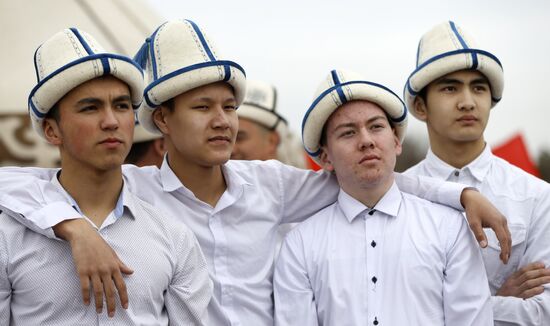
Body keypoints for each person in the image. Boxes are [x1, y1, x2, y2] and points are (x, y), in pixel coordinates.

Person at [0, 19, 510, 325]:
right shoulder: (134, 190)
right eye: (202, 107)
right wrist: (75, 228)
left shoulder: (271, 184)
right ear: (161, 121)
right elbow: (18, 183)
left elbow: (363, 173)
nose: (223, 121)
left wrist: (458, 196)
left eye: (229, 106)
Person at [0, 28, 211, 324]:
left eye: (122, 106)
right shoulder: (7, 236)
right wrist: (72, 227)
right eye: (90, 108)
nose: (111, 121)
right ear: (51, 130)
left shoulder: (174, 236)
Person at [274, 69, 493, 325]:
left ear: (396, 141)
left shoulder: (449, 227)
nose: (366, 141)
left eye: (376, 127)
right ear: (325, 157)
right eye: (348, 132)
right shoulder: (299, 245)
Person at [404, 21, 550, 325]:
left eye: (479, 88)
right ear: (420, 106)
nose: (468, 101)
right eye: (450, 87)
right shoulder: (398, 195)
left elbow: (543, 312)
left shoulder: (537, 197)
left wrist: (440, 308)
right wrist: (491, 303)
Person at [231, 79, 307, 168]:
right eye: (227, 138)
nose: (231, 150)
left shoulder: (300, 181)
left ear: (272, 141)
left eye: (239, 138)